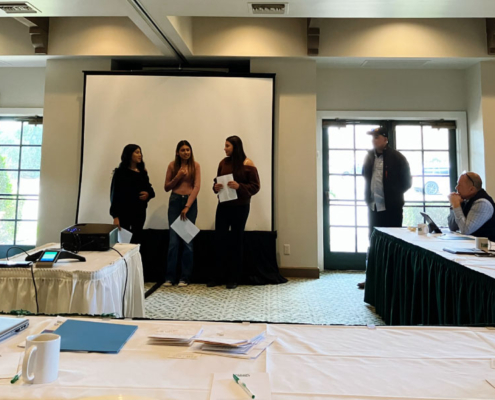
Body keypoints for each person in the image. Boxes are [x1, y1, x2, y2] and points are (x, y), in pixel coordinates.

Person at [358, 126, 412, 289]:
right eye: (372, 137)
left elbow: (407, 182)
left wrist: (393, 194)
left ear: (385, 139)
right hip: (374, 207)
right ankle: (372, 279)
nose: (374, 140)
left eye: (377, 137)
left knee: (391, 244)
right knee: (373, 243)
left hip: (391, 209)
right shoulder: (368, 157)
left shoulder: (398, 158)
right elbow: (365, 176)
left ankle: (392, 281)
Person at [209, 136, 260, 289]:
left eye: (227, 146)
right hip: (223, 205)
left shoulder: (248, 164)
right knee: (220, 240)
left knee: (236, 240)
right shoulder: (223, 163)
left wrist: (239, 187)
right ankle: (218, 276)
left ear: (235, 147)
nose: (224, 148)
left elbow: (255, 186)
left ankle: (233, 278)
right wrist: (215, 187)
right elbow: (216, 181)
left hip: (240, 207)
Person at [163, 140, 201, 287]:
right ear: (177, 152)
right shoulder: (172, 166)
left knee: (188, 242)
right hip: (175, 201)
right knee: (173, 242)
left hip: (189, 204)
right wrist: (178, 176)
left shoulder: (195, 166)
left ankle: (185, 277)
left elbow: (197, 187)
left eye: (188, 149)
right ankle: (170, 277)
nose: (186, 152)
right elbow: (167, 187)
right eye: (183, 150)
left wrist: (187, 206)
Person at [110, 144, 155, 244]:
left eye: (140, 152)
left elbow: (151, 190)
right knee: (123, 243)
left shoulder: (142, 172)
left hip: (139, 213)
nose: (140, 155)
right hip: (124, 213)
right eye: (137, 152)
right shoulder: (120, 173)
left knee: (136, 241)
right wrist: (115, 216)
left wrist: (148, 194)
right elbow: (114, 195)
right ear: (129, 154)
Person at [448, 172, 495, 241]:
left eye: (459, 185)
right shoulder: (466, 200)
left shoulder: (482, 203)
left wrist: (456, 205)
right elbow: (452, 227)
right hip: (472, 246)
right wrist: (454, 206)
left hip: (487, 248)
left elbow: (466, 230)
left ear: (471, 189)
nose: (456, 187)